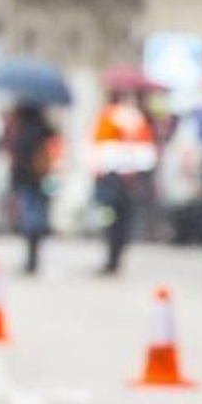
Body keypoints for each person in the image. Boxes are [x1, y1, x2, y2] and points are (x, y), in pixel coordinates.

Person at [89, 91, 157, 275]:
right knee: (117, 219)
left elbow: (97, 148)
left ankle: (113, 256)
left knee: (115, 219)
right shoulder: (128, 118)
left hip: (115, 180)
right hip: (122, 180)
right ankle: (114, 256)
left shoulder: (113, 117)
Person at [6, 102, 56, 275]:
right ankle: (33, 257)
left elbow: (19, 159)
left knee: (30, 219)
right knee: (36, 217)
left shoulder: (25, 133)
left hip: (27, 181)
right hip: (40, 179)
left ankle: (31, 259)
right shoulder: (43, 130)